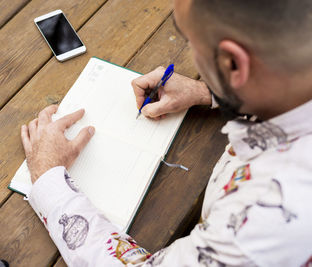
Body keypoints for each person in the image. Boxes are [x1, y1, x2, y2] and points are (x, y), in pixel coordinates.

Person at [20, 0, 312, 266]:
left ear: (233, 63)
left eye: (191, 41)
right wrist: (212, 90)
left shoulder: (262, 217)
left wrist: (48, 177)